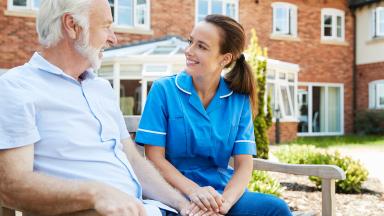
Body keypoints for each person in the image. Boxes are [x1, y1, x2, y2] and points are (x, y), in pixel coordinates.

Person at [0, 0, 210, 215]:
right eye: (106, 26)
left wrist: (183, 205)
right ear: (72, 25)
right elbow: (12, 187)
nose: (113, 38)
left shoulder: (100, 88)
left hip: (148, 209)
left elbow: (134, 161)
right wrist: (95, 193)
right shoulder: (17, 88)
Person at [135, 14, 293, 216]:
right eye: (190, 41)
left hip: (220, 195)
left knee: (276, 209)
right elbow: (154, 158)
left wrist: (222, 206)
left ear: (225, 58)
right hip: (171, 195)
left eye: (201, 46)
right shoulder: (163, 90)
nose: (189, 51)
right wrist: (195, 192)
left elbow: (244, 164)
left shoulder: (239, 100)